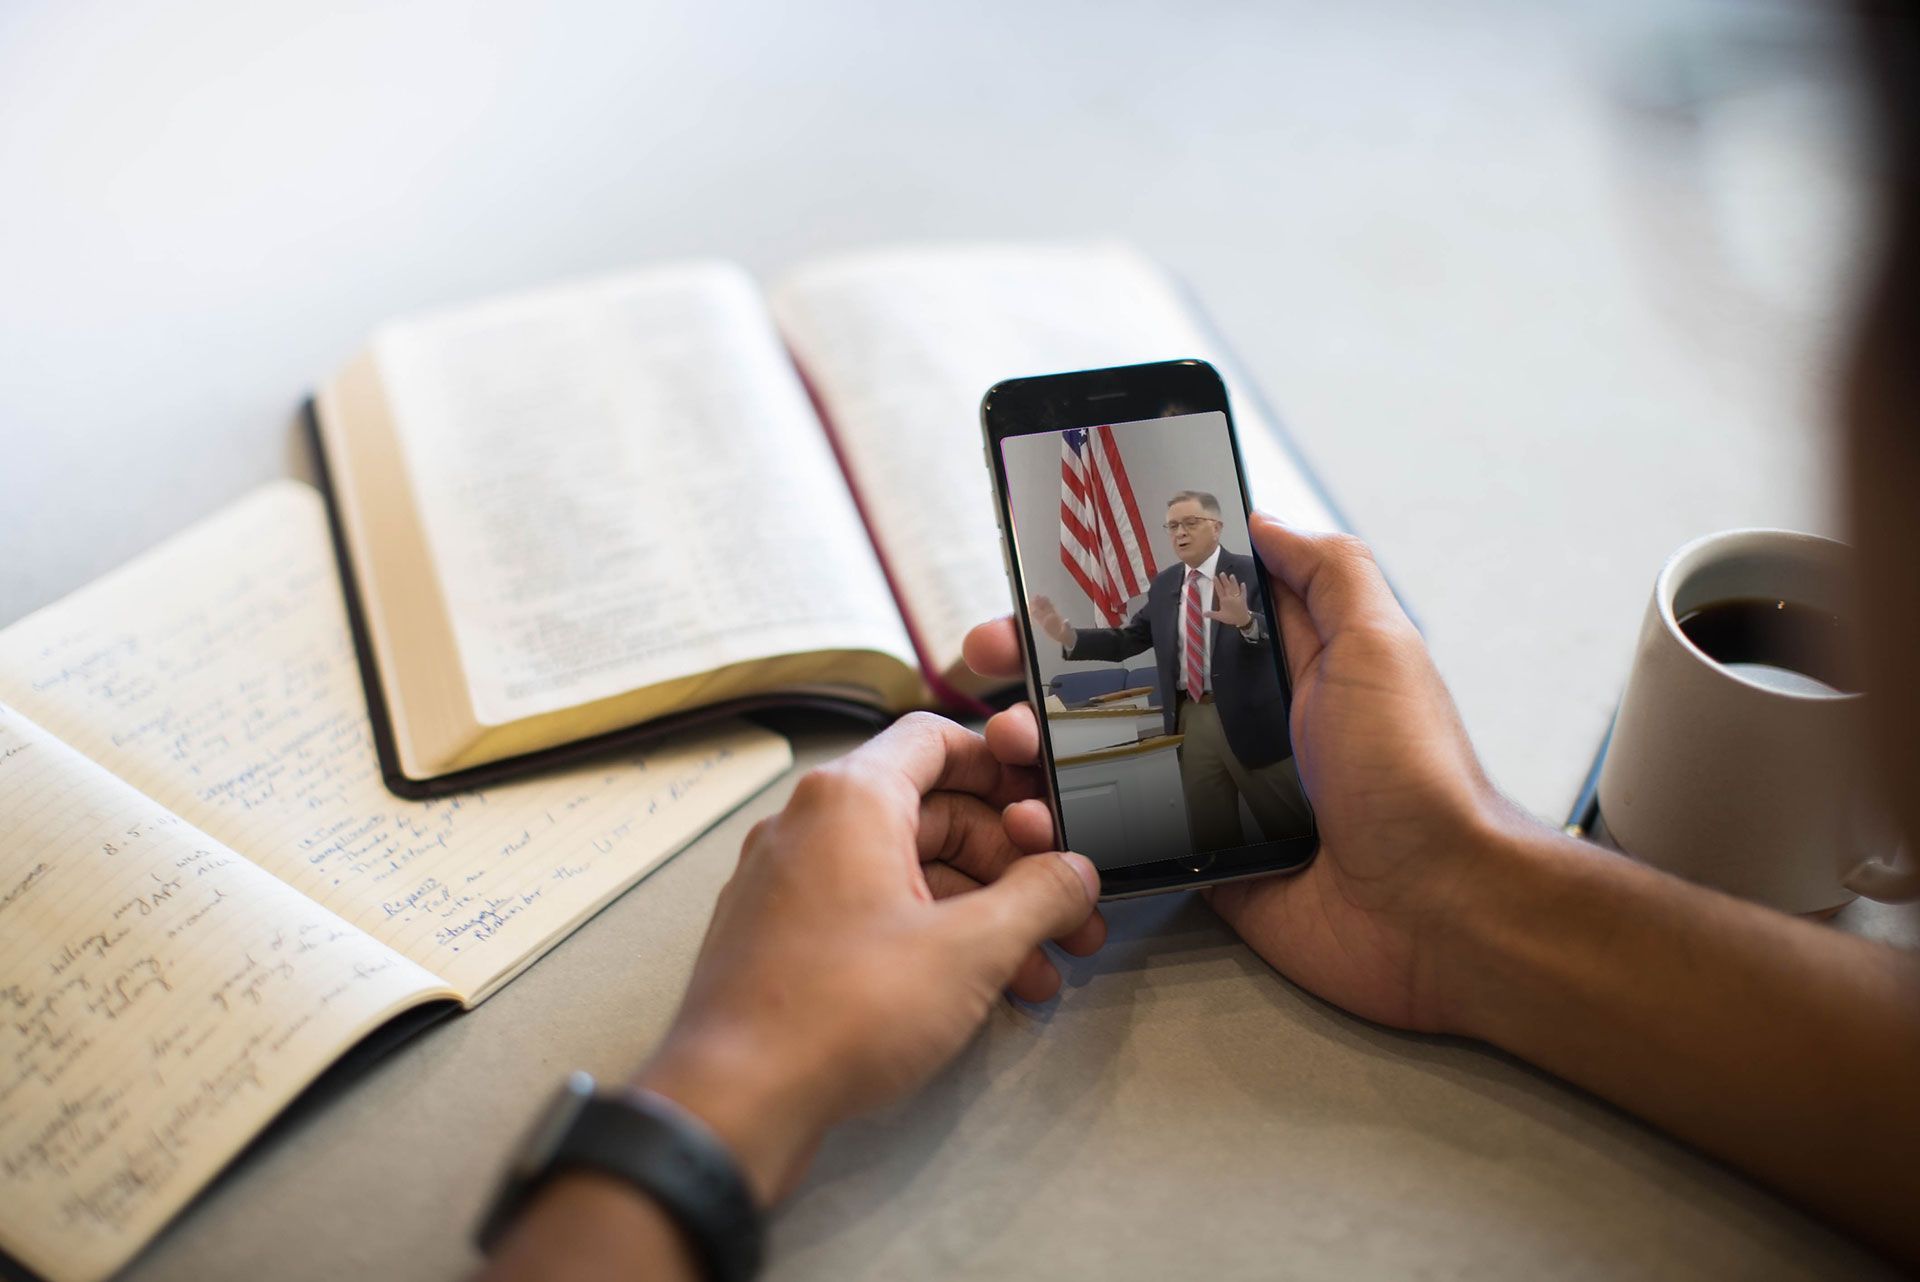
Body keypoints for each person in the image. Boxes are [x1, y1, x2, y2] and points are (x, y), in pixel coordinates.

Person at [477, 5, 1920, 1275]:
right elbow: (1118, 642)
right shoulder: (1166, 591)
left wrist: (730, 1077)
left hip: (1233, 758)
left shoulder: (1224, 586)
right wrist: (1458, 892)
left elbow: (1225, 655)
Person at [1031, 489, 1311, 851]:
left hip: (1251, 719)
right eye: (1173, 526)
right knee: (1212, 833)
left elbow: (1284, 637)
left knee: (1289, 826)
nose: (1180, 533)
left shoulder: (1252, 572)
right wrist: (1069, 636)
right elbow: (1129, 640)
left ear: (1217, 527)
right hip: (1189, 719)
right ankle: (1226, 894)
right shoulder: (1165, 585)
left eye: (1190, 523)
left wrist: (1246, 622)